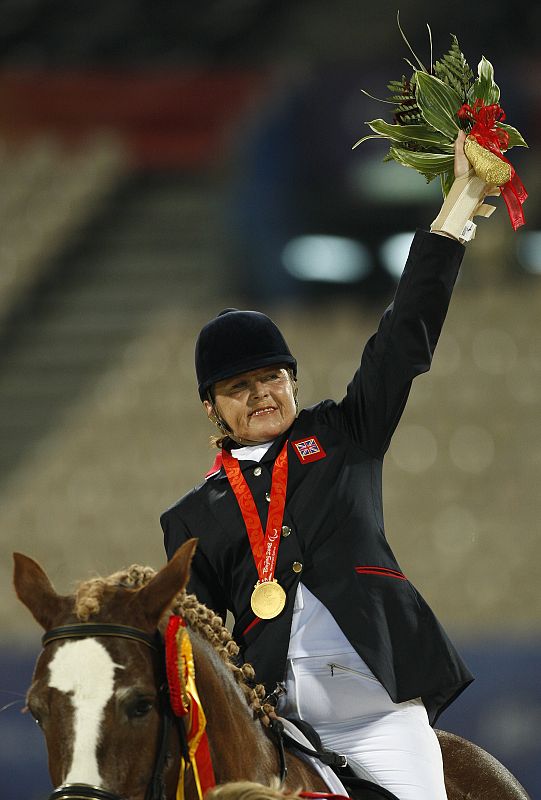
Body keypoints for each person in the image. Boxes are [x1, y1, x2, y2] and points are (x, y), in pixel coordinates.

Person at [161, 133, 498, 800]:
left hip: (379, 708)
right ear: (212, 409)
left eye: (271, 378)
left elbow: (403, 338)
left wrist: (459, 206)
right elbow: (193, 641)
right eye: (239, 387)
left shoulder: (344, 434)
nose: (261, 394)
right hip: (276, 720)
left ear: (291, 381)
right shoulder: (191, 517)